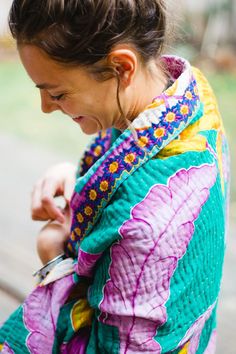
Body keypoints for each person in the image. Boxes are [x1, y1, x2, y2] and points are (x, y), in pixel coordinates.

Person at [0, 0, 230, 353]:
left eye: (57, 92)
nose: (46, 107)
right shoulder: (186, 96)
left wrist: (52, 260)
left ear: (122, 66)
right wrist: (83, 178)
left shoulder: (149, 228)